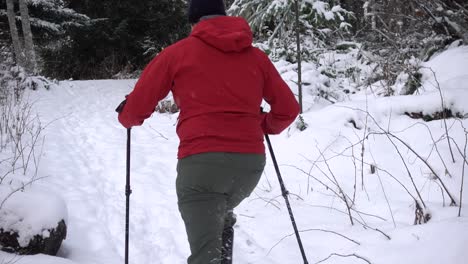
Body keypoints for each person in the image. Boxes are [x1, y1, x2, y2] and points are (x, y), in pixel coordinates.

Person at [116, 0, 300, 263]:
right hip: (249, 167)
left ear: (193, 22)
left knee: (205, 254)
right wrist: (261, 124)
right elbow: (288, 109)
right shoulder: (256, 57)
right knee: (219, 215)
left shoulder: (177, 54)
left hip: (202, 165)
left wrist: (126, 115)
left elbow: (135, 111)